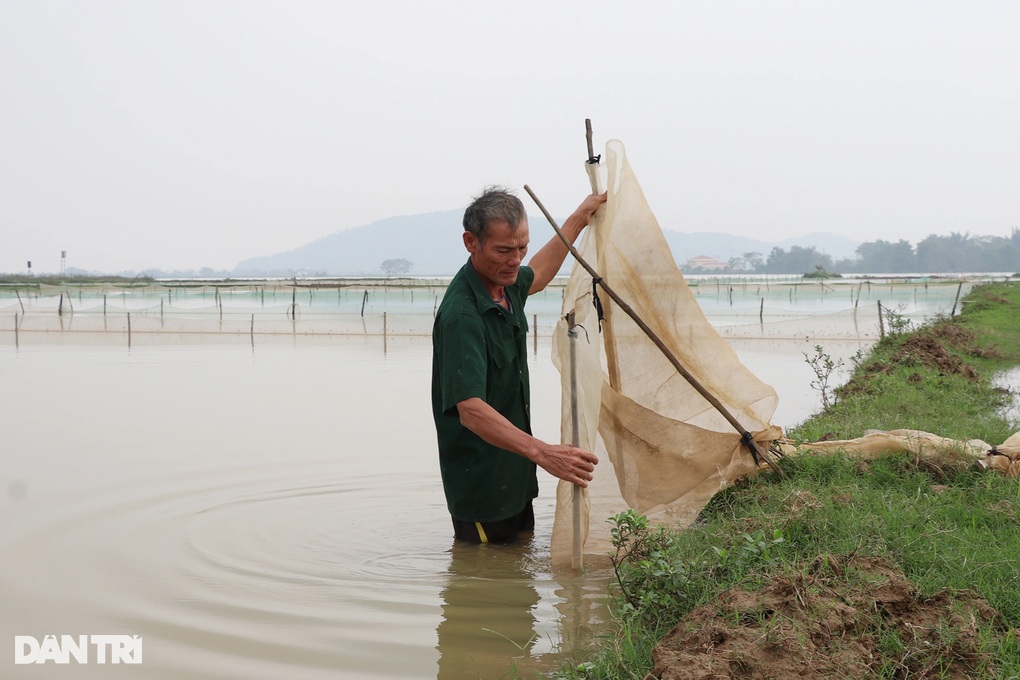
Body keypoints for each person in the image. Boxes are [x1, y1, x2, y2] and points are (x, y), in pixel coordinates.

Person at [431, 186, 606, 544]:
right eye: (504, 250)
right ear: (471, 242)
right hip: (482, 487)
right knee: (480, 583)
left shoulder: (505, 285)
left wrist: (578, 219)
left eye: (522, 247)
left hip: (516, 474)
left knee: (517, 579)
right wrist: (543, 452)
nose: (516, 260)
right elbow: (471, 410)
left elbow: (538, 274)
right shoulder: (462, 315)